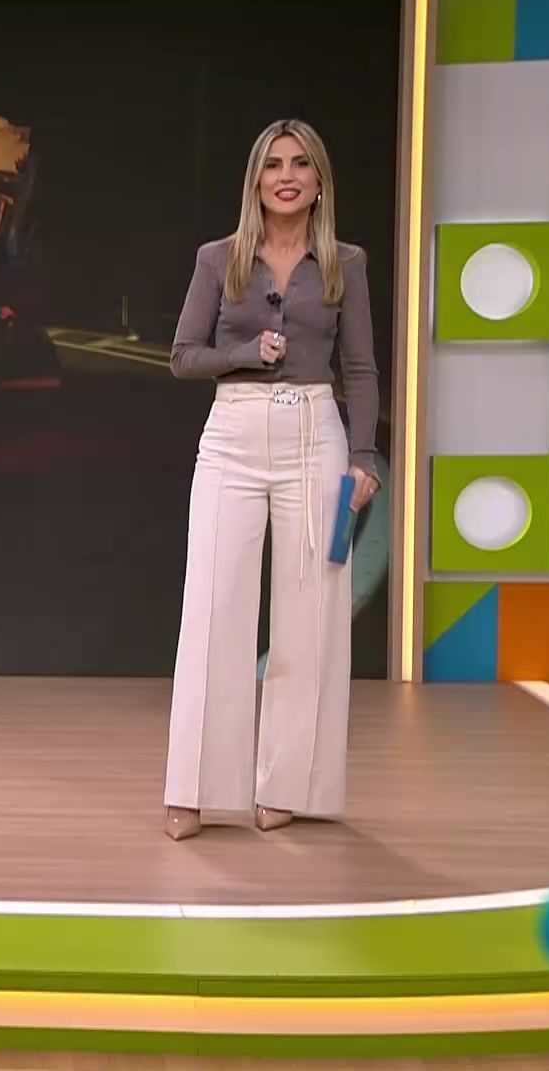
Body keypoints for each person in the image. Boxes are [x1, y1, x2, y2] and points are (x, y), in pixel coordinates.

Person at [162, 119, 380, 841]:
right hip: (231, 438)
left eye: (300, 164)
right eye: (273, 165)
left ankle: (288, 786)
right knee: (213, 609)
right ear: (255, 180)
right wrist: (245, 352)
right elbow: (182, 356)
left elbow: (360, 370)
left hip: (316, 440)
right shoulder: (218, 258)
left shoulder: (346, 263)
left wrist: (363, 459)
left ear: (319, 181)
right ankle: (194, 790)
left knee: (309, 619)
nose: (286, 176)